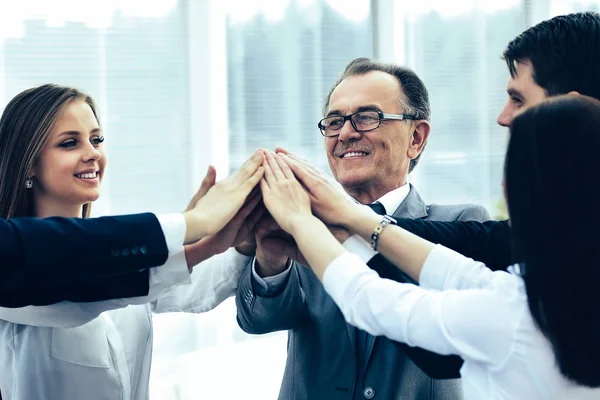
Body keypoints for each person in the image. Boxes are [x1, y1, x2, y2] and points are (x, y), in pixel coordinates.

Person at [265, 10, 600, 383]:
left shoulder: (518, 306)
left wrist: (303, 222)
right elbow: (462, 271)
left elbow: (373, 302)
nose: (503, 117)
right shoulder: (548, 268)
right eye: (334, 121)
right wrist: (346, 221)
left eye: (518, 99)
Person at [236, 59, 490, 399]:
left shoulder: (460, 224)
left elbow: (450, 332)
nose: (345, 133)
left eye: (367, 117)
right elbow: (257, 320)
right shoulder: (302, 220)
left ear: (416, 137)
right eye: (335, 121)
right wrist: (270, 258)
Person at [0, 84, 265, 400]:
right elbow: (74, 291)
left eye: (96, 139)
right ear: (29, 163)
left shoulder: (120, 258)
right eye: (70, 143)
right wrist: (194, 228)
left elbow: (189, 283)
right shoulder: (14, 267)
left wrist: (244, 236)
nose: (93, 153)